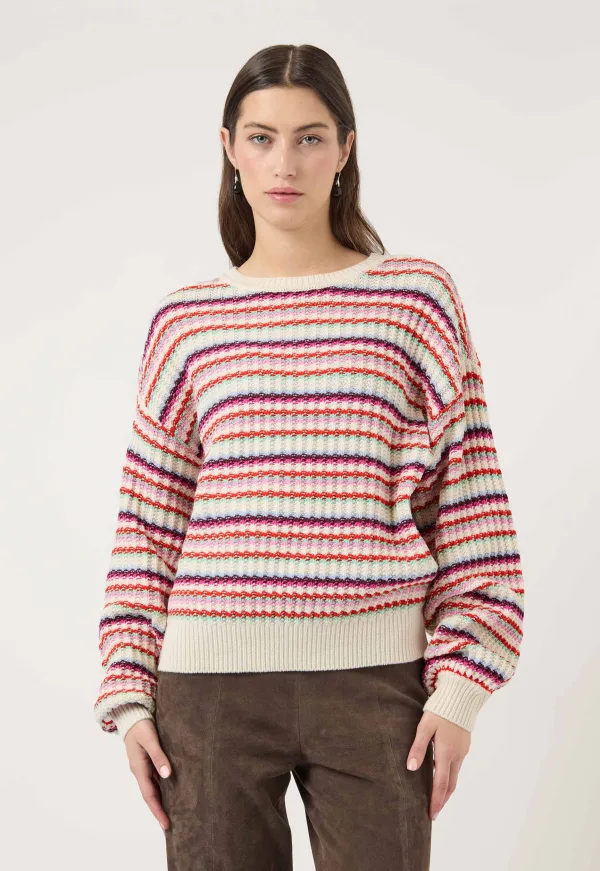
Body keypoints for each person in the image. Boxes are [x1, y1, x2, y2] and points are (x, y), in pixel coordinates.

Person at [93, 43, 525, 871]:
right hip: (207, 694)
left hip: (376, 686)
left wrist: (461, 690)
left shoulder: (416, 299)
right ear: (229, 148)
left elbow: (472, 510)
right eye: (261, 138)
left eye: (310, 137)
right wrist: (130, 693)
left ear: (345, 148)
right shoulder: (187, 321)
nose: (284, 163)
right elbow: (148, 524)